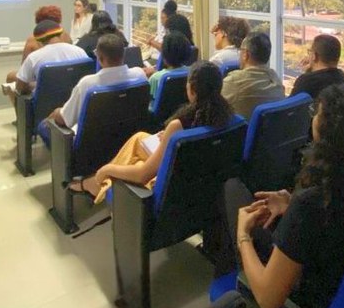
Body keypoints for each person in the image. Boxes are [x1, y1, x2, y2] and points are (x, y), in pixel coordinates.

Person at [233, 84, 344, 308]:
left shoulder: (311, 204)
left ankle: (228, 300)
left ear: (329, 134)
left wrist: (243, 236)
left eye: (316, 112)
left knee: (233, 193)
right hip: (343, 285)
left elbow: (268, 300)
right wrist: (291, 204)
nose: (313, 118)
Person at [79, 61, 233, 202]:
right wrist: (168, 139)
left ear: (192, 89)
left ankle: (99, 182)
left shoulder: (178, 125)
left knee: (137, 163)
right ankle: (98, 182)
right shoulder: (228, 116)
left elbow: (142, 175)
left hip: (172, 185)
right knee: (139, 137)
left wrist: (107, 169)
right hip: (198, 178)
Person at [42, 34, 147, 147]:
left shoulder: (87, 84)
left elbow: (65, 120)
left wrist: (55, 113)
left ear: (99, 58)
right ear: (123, 54)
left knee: (43, 126)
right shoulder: (139, 75)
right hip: (127, 141)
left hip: (91, 147)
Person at [3, 5, 66, 102]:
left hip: (42, 81)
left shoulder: (33, 39)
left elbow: (24, 67)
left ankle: (20, 109)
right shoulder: (66, 36)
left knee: (11, 77)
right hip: (64, 78)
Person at [12, 19, 88, 99]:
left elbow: (20, 88)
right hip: (76, 102)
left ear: (39, 40)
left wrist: (36, 85)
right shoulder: (79, 51)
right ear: (60, 34)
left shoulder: (33, 58)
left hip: (45, 104)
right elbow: (87, 76)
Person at [221, 32, 284, 120]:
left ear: (245, 54)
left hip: (241, 128)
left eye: (240, 50)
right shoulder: (276, 80)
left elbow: (213, 107)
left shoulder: (234, 82)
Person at [289, 34, 344, 99]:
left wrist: (307, 75)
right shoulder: (342, 77)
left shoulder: (306, 81)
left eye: (310, 51)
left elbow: (290, 103)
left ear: (314, 56)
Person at [148, 32, 192, 105]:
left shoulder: (156, 78)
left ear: (163, 54)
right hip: (185, 110)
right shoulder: (193, 72)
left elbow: (149, 102)